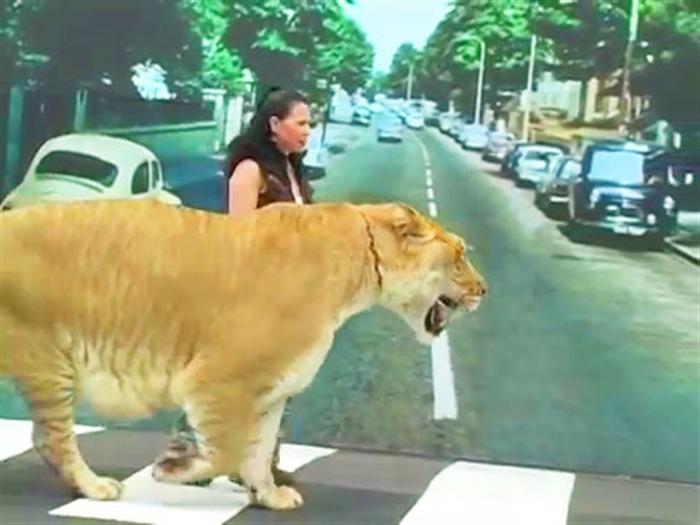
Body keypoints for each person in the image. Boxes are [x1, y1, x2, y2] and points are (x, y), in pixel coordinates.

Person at [154, 88, 313, 486]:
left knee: (278, 379)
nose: (308, 131)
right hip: (253, 292)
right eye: (301, 123)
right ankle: (183, 452)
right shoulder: (251, 169)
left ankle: (258, 461)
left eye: (310, 123)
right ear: (275, 125)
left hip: (286, 294)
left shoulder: (292, 169)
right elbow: (238, 236)